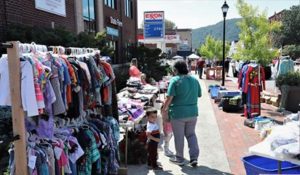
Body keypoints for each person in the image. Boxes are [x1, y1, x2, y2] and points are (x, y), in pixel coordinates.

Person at [162, 59, 202, 167]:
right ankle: (194, 158)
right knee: (191, 134)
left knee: (178, 136)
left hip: (178, 113)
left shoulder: (175, 80)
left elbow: (169, 98)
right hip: (193, 112)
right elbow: (199, 95)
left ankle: (179, 158)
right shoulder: (194, 80)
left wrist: (164, 109)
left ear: (175, 70)